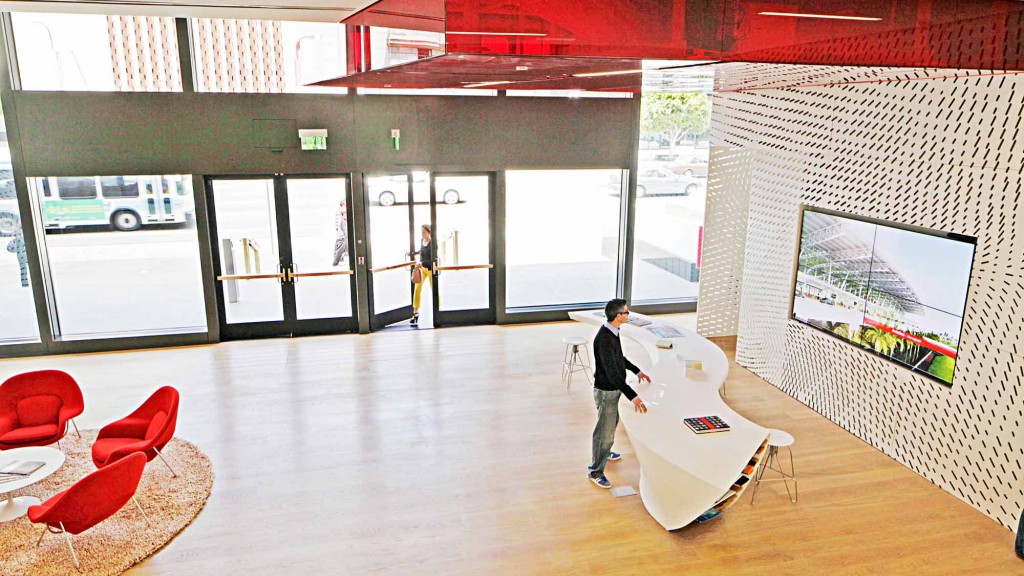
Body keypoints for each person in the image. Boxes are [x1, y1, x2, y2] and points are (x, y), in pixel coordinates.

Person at [588, 298, 650, 489]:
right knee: (604, 433)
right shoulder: (605, 339)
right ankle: (595, 471)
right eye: (626, 312)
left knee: (611, 424)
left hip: (612, 390)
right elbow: (613, 375)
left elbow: (618, 358)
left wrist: (636, 370)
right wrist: (633, 396)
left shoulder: (612, 332)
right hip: (607, 391)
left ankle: (605, 452)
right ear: (618, 316)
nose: (628, 314)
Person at [408, 224, 433, 325]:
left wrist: (421, 263)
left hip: (431, 269)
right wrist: (414, 254)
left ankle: (438, 311)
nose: (422, 234)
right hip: (422, 269)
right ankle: (415, 313)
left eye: (424, 232)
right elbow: (422, 252)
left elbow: (432, 260)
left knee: (434, 290)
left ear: (429, 232)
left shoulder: (433, 244)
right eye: (421, 232)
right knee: (417, 289)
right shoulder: (421, 241)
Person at [332, 200, 348, 267]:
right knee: (341, 247)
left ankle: (340, 258)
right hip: (342, 234)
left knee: (339, 245)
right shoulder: (343, 211)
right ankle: (335, 262)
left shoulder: (338, 211)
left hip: (339, 233)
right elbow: (343, 223)